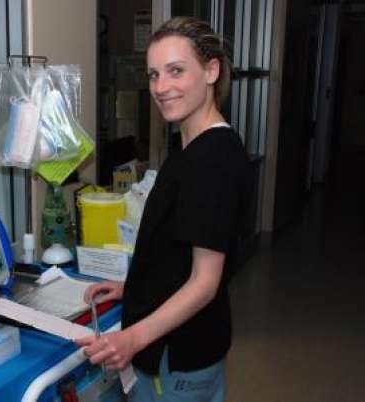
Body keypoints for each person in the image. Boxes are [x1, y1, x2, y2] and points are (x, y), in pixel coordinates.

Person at [76, 17, 251, 402]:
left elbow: (205, 282)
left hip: (181, 354)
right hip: (191, 342)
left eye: (176, 71)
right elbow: (180, 251)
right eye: (154, 75)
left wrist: (132, 338)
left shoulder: (213, 160)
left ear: (211, 70)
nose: (161, 87)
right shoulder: (187, 147)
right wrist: (132, 289)